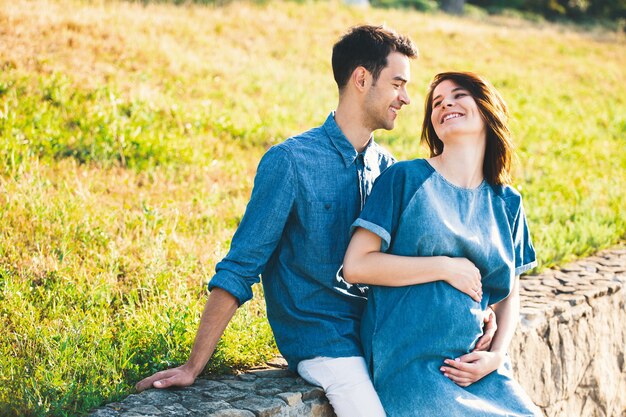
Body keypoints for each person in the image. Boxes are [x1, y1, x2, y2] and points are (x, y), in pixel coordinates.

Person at [135, 28, 494, 417]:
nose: (407, 98)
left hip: (380, 334)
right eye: (397, 84)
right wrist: (193, 366)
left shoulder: (387, 168)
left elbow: (410, 260)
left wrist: (473, 312)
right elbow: (240, 267)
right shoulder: (290, 162)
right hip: (323, 342)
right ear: (361, 79)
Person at [343, 72, 542, 416]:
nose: (445, 103)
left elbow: (510, 292)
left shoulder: (507, 202)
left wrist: (496, 356)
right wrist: (446, 268)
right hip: (410, 363)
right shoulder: (406, 179)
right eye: (436, 102)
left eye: (458, 95)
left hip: (477, 369)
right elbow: (357, 265)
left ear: (486, 109)